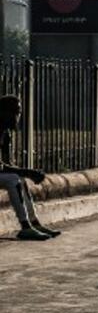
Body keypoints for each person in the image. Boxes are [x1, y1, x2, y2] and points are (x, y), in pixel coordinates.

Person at [0, 96, 59, 240]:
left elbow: (6, 164)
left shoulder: (5, 133)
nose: (17, 116)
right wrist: (28, 172)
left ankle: (34, 223)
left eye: (18, 112)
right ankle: (25, 226)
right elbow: (1, 167)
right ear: (3, 112)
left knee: (19, 179)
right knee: (14, 179)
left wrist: (25, 173)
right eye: (14, 112)